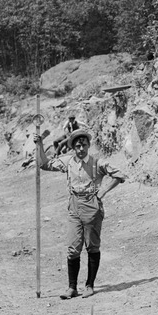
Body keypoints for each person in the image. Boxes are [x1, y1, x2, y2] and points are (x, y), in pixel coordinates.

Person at [34, 128, 126, 299]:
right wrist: (39, 145)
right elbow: (44, 164)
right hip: (74, 205)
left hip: (92, 205)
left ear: (88, 145)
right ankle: (72, 288)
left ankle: (89, 286)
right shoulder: (68, 162)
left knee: (92, 246)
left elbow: (119, 175)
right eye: (77, 146)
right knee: (73, 247)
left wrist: (103, 191)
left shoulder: (96, 163)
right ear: (73, 148)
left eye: (83, 145)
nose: (81, 149)